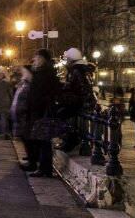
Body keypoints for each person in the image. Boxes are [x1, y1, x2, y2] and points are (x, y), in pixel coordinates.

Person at [26, 49, 59, 177]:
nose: (35, 60)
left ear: (44, 59)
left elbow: (43, 93)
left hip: (42, 111)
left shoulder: (45, 73)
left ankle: (45, 169)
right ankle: (43, 168)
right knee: (41, 140)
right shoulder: (42, 72)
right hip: (39, 110)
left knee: (43, 140)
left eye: (38, 58)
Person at [59, 47, 97, 152]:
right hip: (84, 101)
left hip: (81, 102)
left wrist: (65, 88)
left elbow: (79, 88)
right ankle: (75, 140)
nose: (66, 61)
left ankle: (73, 141)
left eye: (67, 59)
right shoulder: (82, 69)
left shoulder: (76, 70)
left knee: (63, 115)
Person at [11, 65, 35, 170]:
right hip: (20, 115)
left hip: (25, 115)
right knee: (24, 138)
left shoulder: (30, 85)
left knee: (27, 138)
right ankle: (30, 157)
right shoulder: (24, 83)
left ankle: (32, 161)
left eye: (24, 72)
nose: (23, 74)